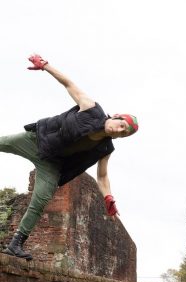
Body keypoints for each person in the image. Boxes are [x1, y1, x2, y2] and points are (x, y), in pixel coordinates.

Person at [1, 54, 138, 261]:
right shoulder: (92, 109)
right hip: (37, 140)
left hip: (52, 164)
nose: (119, 131)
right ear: (116, 116)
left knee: (41, 200)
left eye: (123, 133)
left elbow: (102, 177)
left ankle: (15, 244)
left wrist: (108, 197)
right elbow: (69, 83)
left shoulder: (106, 148)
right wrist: (46, 66)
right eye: (121, 125)